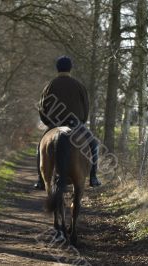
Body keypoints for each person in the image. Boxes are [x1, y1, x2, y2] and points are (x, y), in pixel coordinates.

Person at [34, 56, 102, 190]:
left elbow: (42, 108)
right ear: (70, 68)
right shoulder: (79, 85)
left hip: (55, 125)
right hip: (75, 125)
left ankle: (41, 180)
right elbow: (86, 107)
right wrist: (81, 122)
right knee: (94, 144)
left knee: (40, 148)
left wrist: (48, 122)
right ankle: (93, 177)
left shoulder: (50, 85)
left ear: (57, 68)